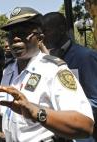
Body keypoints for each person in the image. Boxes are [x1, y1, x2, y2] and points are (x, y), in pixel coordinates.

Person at [0, 7, 94, 142]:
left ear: (40, 38)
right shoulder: (8, 70)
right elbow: (10, 117)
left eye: (23, 33)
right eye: (11, 34)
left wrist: (36, 112)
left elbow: (85, 126)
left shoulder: (54, 70)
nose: (15, 39)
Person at [42, 12, 97, 141]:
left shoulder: (85, 57)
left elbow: (95, 100)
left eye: (46, 31)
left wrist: (60, 113)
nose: (42, 36)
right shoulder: (46, 60)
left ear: (61, 29)